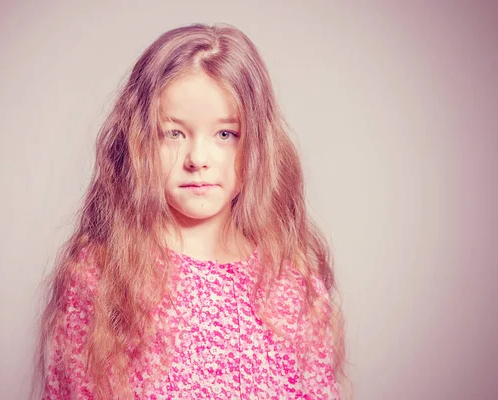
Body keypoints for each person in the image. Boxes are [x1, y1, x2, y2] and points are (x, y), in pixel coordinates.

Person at [30, 22, 350, 399]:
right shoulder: (102, 277)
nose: (198, 159)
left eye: (225, 134)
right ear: (139, 142)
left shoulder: (292, 278)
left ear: (258, 145)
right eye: (174, 133)